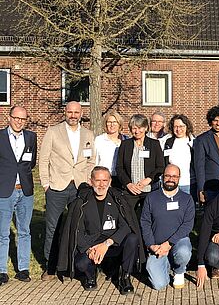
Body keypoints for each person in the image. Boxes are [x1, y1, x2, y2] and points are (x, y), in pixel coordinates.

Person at [57, 167, 143, 294]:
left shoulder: (117, 200)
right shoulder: (81, 202)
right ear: (91, 181)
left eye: (105, 180)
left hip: (112, 242)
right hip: (91, 244)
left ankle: (124, 276)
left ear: (110, 182)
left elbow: (125, 226)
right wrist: (88, 249)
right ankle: (91, 275)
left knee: (132, 238)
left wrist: (107, 243)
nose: (101, 184)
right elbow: (77, 231)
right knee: (81, 264)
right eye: (97, 180)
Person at [39, 101, 96, 280]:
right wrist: (46, 184)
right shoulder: (53, 132)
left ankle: (75, 263)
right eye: (70, 112)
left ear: (81, 114)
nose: (73, 115)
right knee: (53, 227)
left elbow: (91, 160)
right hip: (57, 186)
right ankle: (50, 266)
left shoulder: (88, 134)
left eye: (76, 112)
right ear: (65, 112)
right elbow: (43, 159)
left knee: (78, 227)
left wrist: (87, 181)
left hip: (79, 187)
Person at [141, 164, 195, 290]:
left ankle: (179, 270)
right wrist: (151, 245)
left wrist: (169, 243)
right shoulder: (151, 197)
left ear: (179, 178)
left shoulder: (187, 199)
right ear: (162, 177)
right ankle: (166, 262)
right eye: (168, 176)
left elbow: (187, 225)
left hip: (178, 242)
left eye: (174, 176)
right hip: (157, 246)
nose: (171, 179)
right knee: (159, 285)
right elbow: (145, 222)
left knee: (183, 252)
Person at [0, 106, 37, 285]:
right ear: (9, 117)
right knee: (2, 233)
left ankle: (23, 269)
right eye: (16, 118)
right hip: (5, 191)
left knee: (24, 231)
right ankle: (2, 271)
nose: (19, 121)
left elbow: (32, 163)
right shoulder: (0, 137)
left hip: (26, 190)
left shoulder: (31, 137)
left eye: (23, 119)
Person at [116, 114, 165, 213]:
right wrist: (128, 184)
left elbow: (160, 167)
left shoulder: (154, 144)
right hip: (130, 190)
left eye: (140, 128)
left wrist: (148, 179)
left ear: (146, 127)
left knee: (148, 216)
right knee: (128, 216)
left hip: (149, 189)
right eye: (134, 128)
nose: (137, 131)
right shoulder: (125, 145)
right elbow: (119, 168)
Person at [163, 114, 195, 195]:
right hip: (171, 183)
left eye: (181, 126)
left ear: (187, 127)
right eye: (175, 126)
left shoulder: (194, 142)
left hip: (189, 183)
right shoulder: (168, 142)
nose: (178, 129)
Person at [94, 111, 128, 188]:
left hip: (121, 179)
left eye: (115, 122)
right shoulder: (99, 140)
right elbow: (95, 160)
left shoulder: (125, 140)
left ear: (119, 124)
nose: (112, 125)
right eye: (109, 122)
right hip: (104, 179)